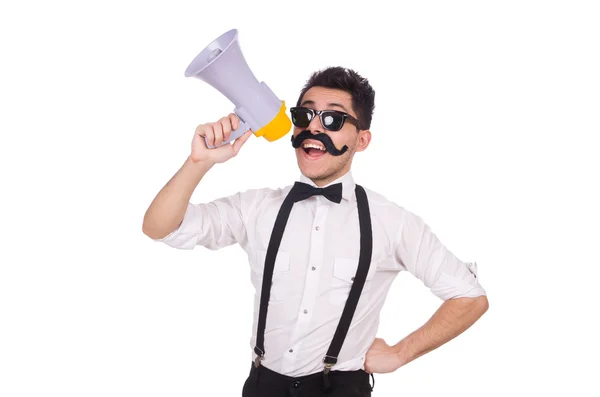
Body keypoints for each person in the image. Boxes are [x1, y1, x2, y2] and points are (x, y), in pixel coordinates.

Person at [142, 66, 489, 396]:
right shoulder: (257, 207)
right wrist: (198, 162)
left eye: (333, 119)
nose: (314, 128)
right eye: (304, 115)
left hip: (342, 389)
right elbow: (160, 227)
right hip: (263, 387)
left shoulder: (392, 222)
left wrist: (400, 353)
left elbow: (470, 297)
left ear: (362, 139)